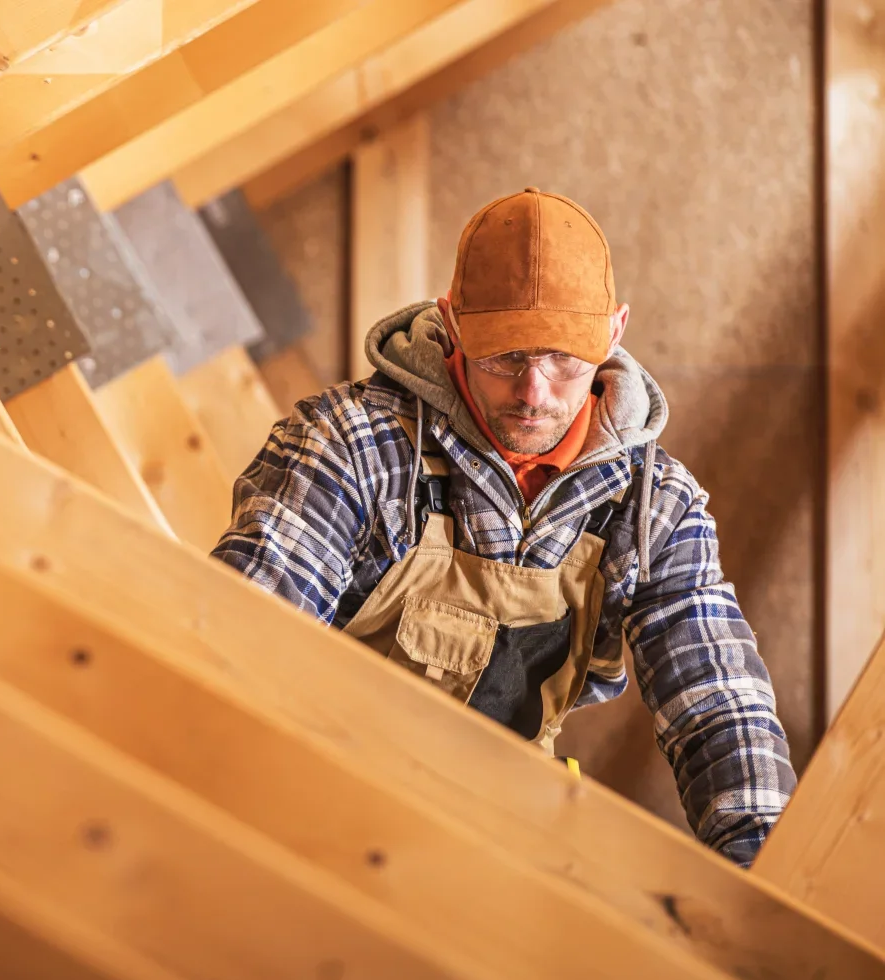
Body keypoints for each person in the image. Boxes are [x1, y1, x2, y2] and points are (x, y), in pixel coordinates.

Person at [213, 187, 795, 867]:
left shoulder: (651, 506)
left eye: (562, 359)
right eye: (505, 357)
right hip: (328, 826)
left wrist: (764, 882)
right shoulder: (350, 447)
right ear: (452, 323)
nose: (534, 392)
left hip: (512, 849)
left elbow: (718, 705)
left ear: (614, 331)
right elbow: (242, 634)